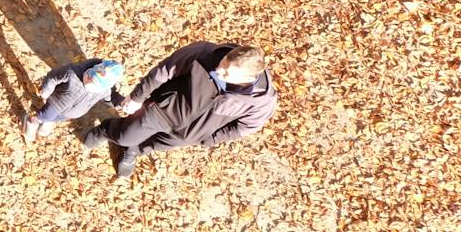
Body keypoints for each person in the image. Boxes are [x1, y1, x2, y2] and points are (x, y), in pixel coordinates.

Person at [81, 43, 275, 179]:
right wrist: (137, 97)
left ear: (247, 79)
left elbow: (246, 126)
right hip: (162, 111)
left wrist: (208, 139)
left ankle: (133, 150)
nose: (218, 70)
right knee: (126, 135)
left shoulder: (260, 101)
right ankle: (107, 130)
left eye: (226, 73)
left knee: (150, 145)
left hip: (188, 134)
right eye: (222, 63)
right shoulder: (204, 54)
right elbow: (162, 72)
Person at [24, 58, 132, 144]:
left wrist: (121, 103)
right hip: (56, 103)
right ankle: (33, 122)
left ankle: (49, 121)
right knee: (45, 115)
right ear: (93, 68)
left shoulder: (105, 91)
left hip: (74, 112)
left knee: (58, 118)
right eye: (89, 76)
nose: (88, 82)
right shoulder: (72, 72)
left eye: (93, 83)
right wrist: (46, 92)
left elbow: (111, 98)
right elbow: (53, 77)